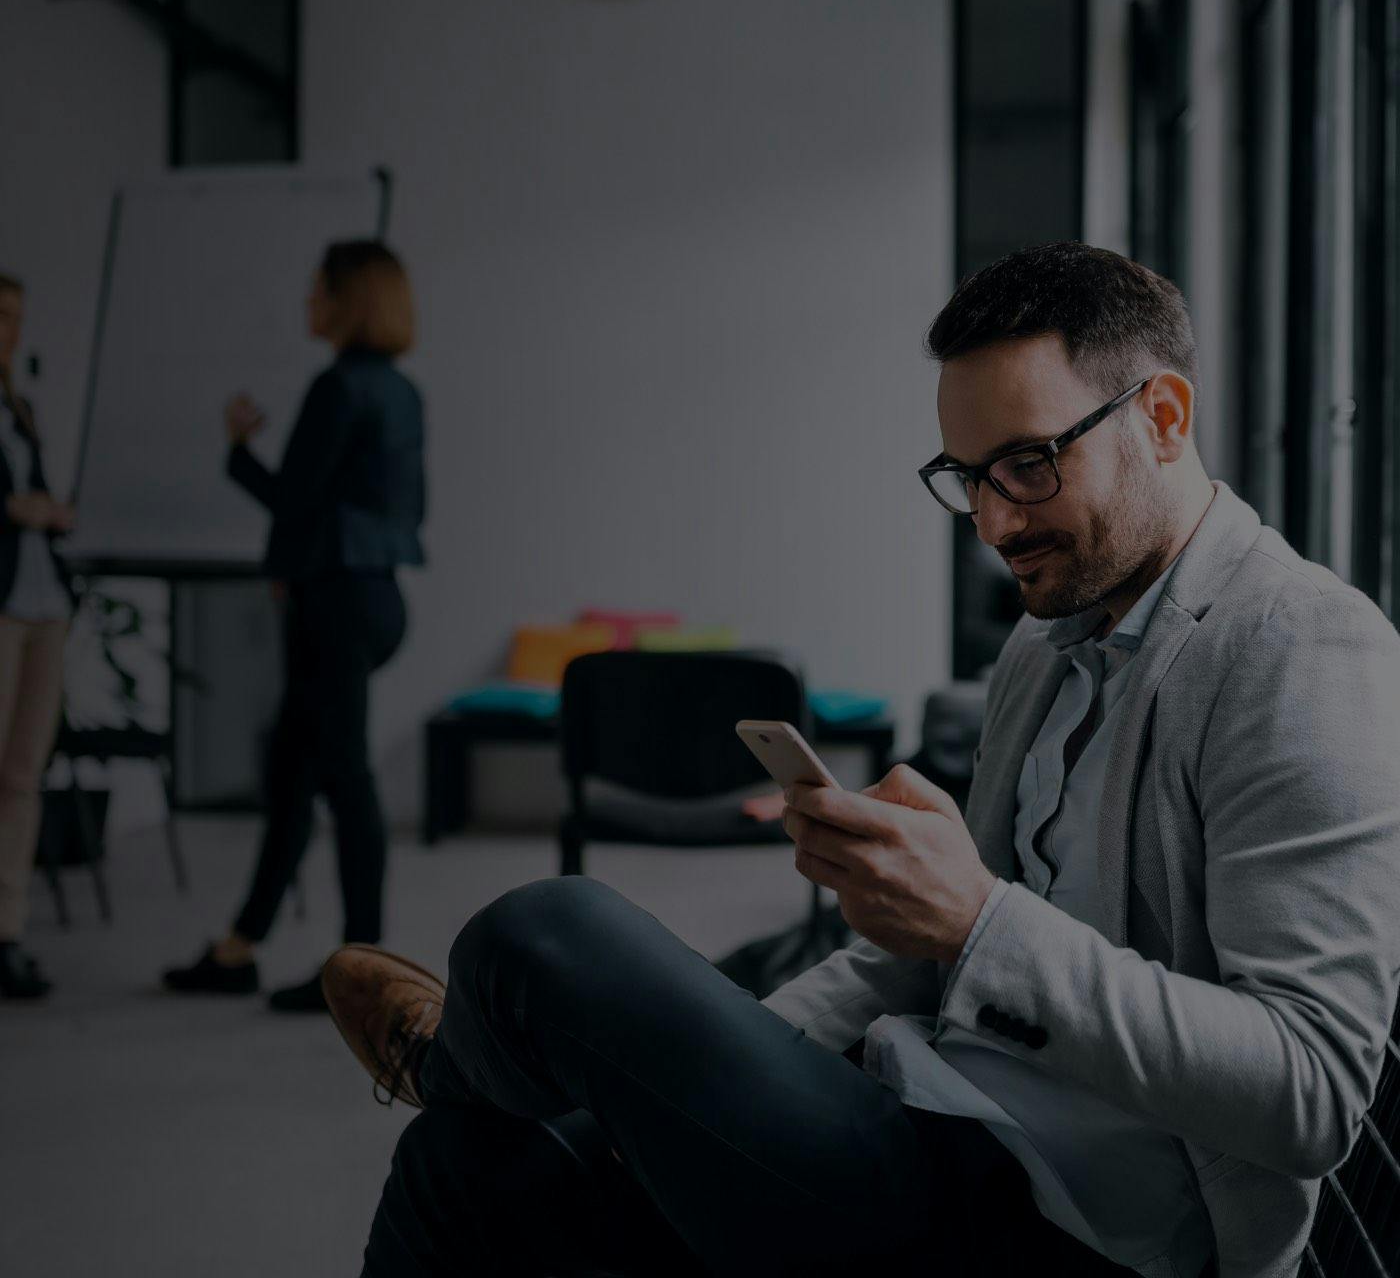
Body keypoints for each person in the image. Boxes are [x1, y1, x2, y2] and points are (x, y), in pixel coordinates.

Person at [321, 243, 1400, 1276]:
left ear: (1161, 417)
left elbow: (1308, 1089)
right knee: (460, 1165)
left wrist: (976, 918)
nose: (990, 521)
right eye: (965, 476)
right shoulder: (1043, 642)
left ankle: (446, 1065)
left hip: (1078, 1224)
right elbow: (918, 959)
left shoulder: (1296, 644)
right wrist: (693, 1077)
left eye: (1027, 463)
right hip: (914, 1111)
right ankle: (479, 1087)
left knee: (547, 932)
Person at [165, 241, 425, 1012]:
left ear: (351, 302)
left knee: (342, 780)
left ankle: (368, 973)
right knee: (294, 772)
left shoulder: (336, 387)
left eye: (318, 293)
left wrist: (239, 452)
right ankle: (239, 946)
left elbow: (296, 501)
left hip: (333, 605)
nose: (307, 305)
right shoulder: (401, 391)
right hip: (376, 598)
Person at [0, 274, 76, 1001]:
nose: (8, 330)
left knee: (22, 775)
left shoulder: (19, 410)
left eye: (16, 317)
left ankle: (8, 931)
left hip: (43, 607)